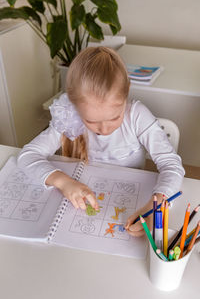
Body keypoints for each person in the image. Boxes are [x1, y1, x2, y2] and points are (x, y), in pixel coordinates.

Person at [17, 46, 185, 237]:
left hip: (128, 199)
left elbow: (172, 165)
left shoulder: (137, 116)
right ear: (74, 103)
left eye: (114, 117)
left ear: (126, 93)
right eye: (91, 121)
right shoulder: (68, 117)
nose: (104, 130)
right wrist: (62, 182)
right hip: (81, 207)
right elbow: (27, 156)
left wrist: (155, 206)